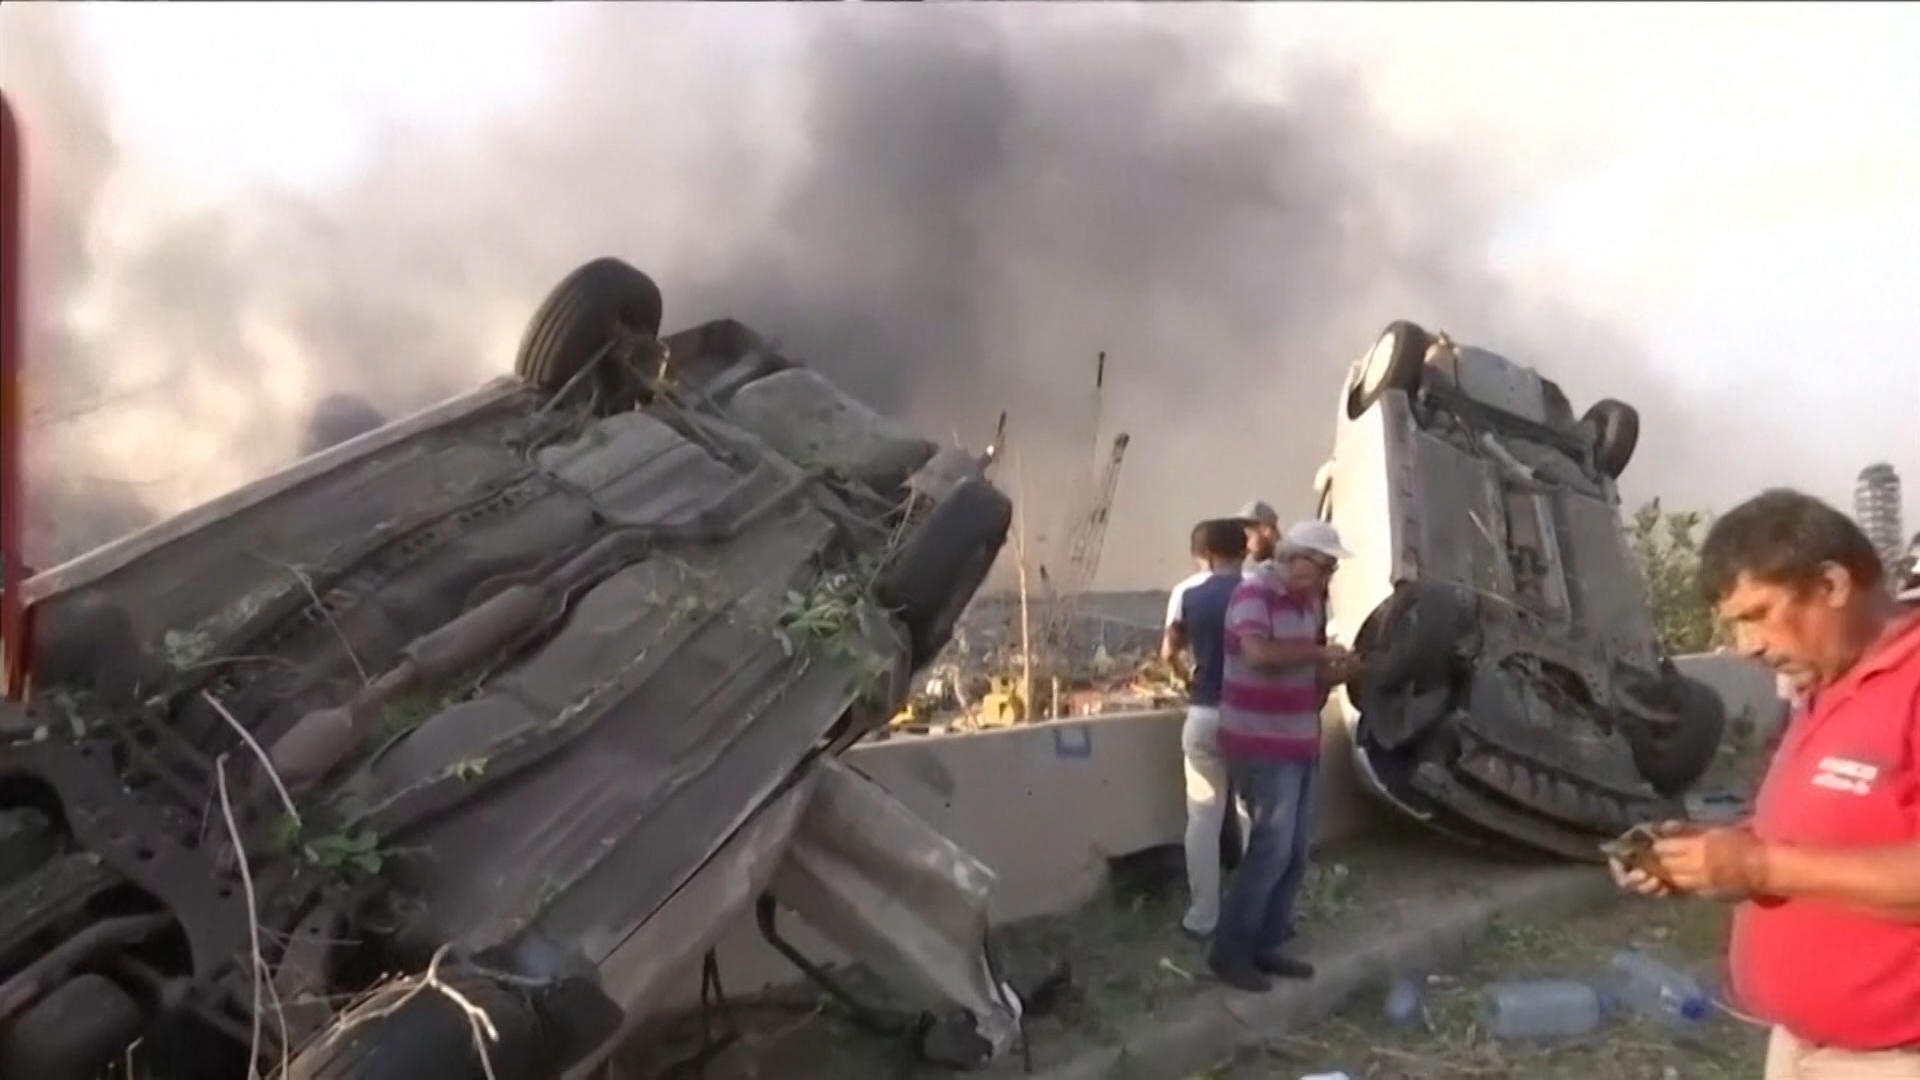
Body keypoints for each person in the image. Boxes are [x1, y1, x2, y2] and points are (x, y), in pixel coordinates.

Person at [1610, 489, 1920, 1077]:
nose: (1746, 647)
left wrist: (1761, 867)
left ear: (1830, 584)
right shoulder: (1827, 682)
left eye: (1757, 615)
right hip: (1802, 1048)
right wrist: (1710, 857)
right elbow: (1830, 833)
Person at [1207, 519, 1358, 991]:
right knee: (1269, 849)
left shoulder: (1310, 604)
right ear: (1295, 559)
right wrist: (1317, 655)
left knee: (1294, 851)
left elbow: (1307, 674)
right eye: (1325, 566)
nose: (1328, 576)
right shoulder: (1254, 594)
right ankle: (1230, 951)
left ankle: (1266, 943)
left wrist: (1343, 670)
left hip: (1299, 739)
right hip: (1259, 742)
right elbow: (1257, 654)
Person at [1160, 519, 1249, 940]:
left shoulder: (1186, 593)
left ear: (1205, 555)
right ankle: (1256, 911)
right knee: (1252, 813)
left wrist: (1187, 678)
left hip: (1204, 713)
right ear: (1243, 551)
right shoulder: (1258, 590)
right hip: (1252, 717)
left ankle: (1202, 916)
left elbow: (1168, 652)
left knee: (1203, 818)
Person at [1235, 500, 1282, 570]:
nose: (1247, 543)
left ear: (1267, 529)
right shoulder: (1246, 566)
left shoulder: (1289, 564)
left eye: (1249, 527)